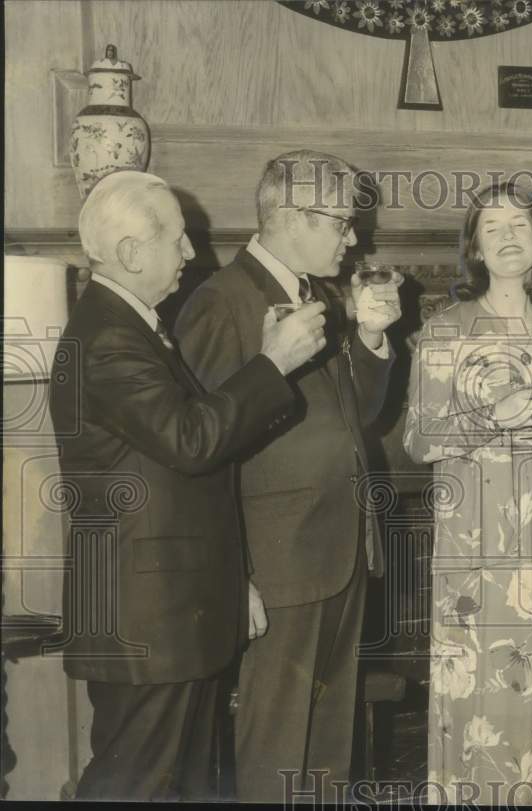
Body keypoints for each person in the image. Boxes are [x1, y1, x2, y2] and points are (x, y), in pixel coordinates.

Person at [48, 170, 326, 801]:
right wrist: (272, 364)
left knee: (181, 787)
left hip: (168, 619)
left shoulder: (132, 325)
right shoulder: (109, 338)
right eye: (176, 238)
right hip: (147, 625)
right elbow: (191, 440)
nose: (191, 253)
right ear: (129, 253)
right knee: (137, 788)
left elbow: (190, 447)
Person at [173, 150, 400, 801]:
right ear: (292, 217)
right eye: (341, 222)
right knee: (276, 746)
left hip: (338, 551)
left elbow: (356, 413)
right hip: (276, 566)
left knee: (330, 745)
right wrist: (234, 569)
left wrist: (373, 341)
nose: (353, 237)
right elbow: (198, 448)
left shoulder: (316, 294)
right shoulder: (221, 302)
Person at [403, 183, 532, 805]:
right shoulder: (444, 330)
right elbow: (418, 440)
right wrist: (498, 413)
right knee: (485, 685)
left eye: (521, 225)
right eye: (493, 228)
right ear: (476, 248)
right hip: (477, 535)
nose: (509, 237)